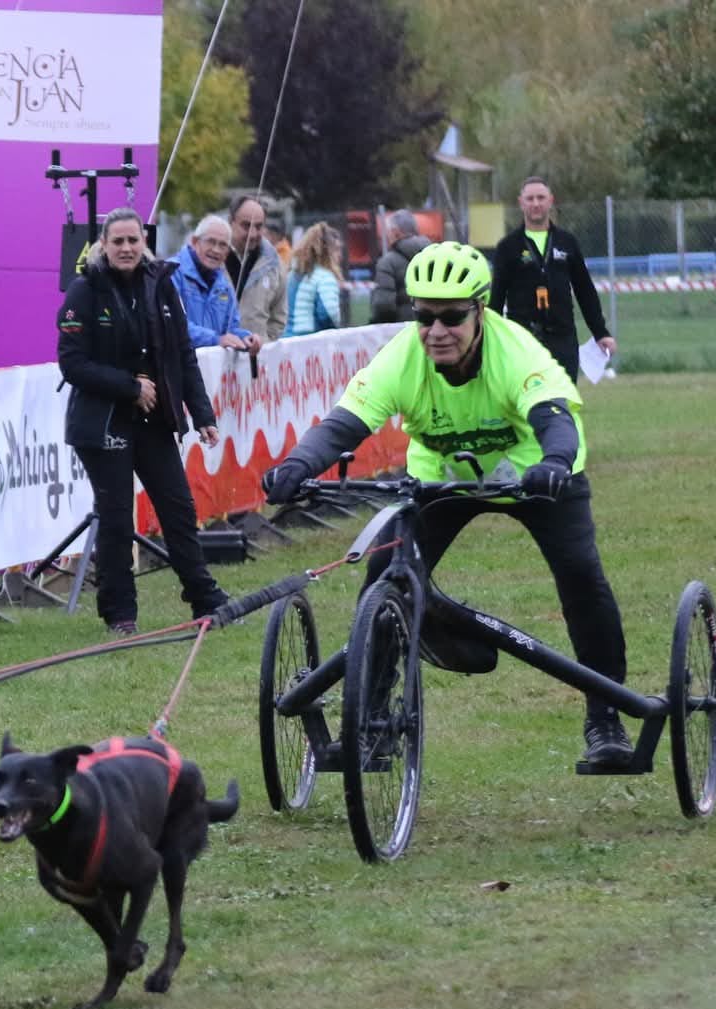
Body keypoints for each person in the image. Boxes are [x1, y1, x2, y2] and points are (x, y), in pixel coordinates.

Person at [259, 242, 633, 768]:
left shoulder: (517, 353)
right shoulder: (403, 357)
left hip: (535, 473)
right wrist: (298, 466)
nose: (436, 331)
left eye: (452, 317)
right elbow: (344, 424)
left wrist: (553, 462)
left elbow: (555, 418)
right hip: (440, 480)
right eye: (424, 316)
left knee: (580, 576)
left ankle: (606, 718)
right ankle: (373, 723)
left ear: (481, 310)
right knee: (385, 574)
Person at [56, 206, 228, 636]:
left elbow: (182, 354)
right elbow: (71, 363)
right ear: (104, 245)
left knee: (179, 509)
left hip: (154, 420)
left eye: (134, 240)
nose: (127, 248)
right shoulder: (84, 290)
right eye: (118, 241)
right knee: (116, 518)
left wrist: (201, 412)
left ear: (144, 242)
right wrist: (129, 386)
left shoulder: (161, 284)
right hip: (103, 421)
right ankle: (120, 614)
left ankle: (205, 597)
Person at [491, 175, 614, 382]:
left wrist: (601, 332)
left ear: (551, 201)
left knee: (564, 404)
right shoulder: (508, 247)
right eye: (530, 199)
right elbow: (496, 297)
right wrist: (489, 336)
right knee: (525, 402)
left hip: (562, 337)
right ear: (521, 203)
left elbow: (585, 291)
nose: (536, 204)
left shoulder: (567, 242)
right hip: (523, 339)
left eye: (541, 197)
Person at [171, 214, 259, 354]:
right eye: (211, 242)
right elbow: (173, 326)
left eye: (223, 245)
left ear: (227, 252)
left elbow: (230, 328)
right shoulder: (171, 273)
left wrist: (246, 337)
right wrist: (215, 339)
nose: (216, 250)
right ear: (195, 242)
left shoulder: (224, 286)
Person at [224, 193, 286, 343]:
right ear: (231, 222)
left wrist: (264, 343)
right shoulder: (212, 259)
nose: (252, 234)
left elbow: (279, 316)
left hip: (258, 360)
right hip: (217, 358)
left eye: (258, 226)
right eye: (246, 225)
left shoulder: (274, 264)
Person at [370, 210, 432, 324]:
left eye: (388, 232)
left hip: (400, 330)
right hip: (431, 325)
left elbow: (383, 305)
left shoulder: (388, 262)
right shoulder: (434, 255)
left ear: (395, 232)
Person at [285, 222, 345, 337]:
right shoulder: (325, 277)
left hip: (286, 340)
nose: (340, 255)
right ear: (326, 251)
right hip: (310, 343)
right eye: (336, 249)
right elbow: (328, 314)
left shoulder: (291, 275)